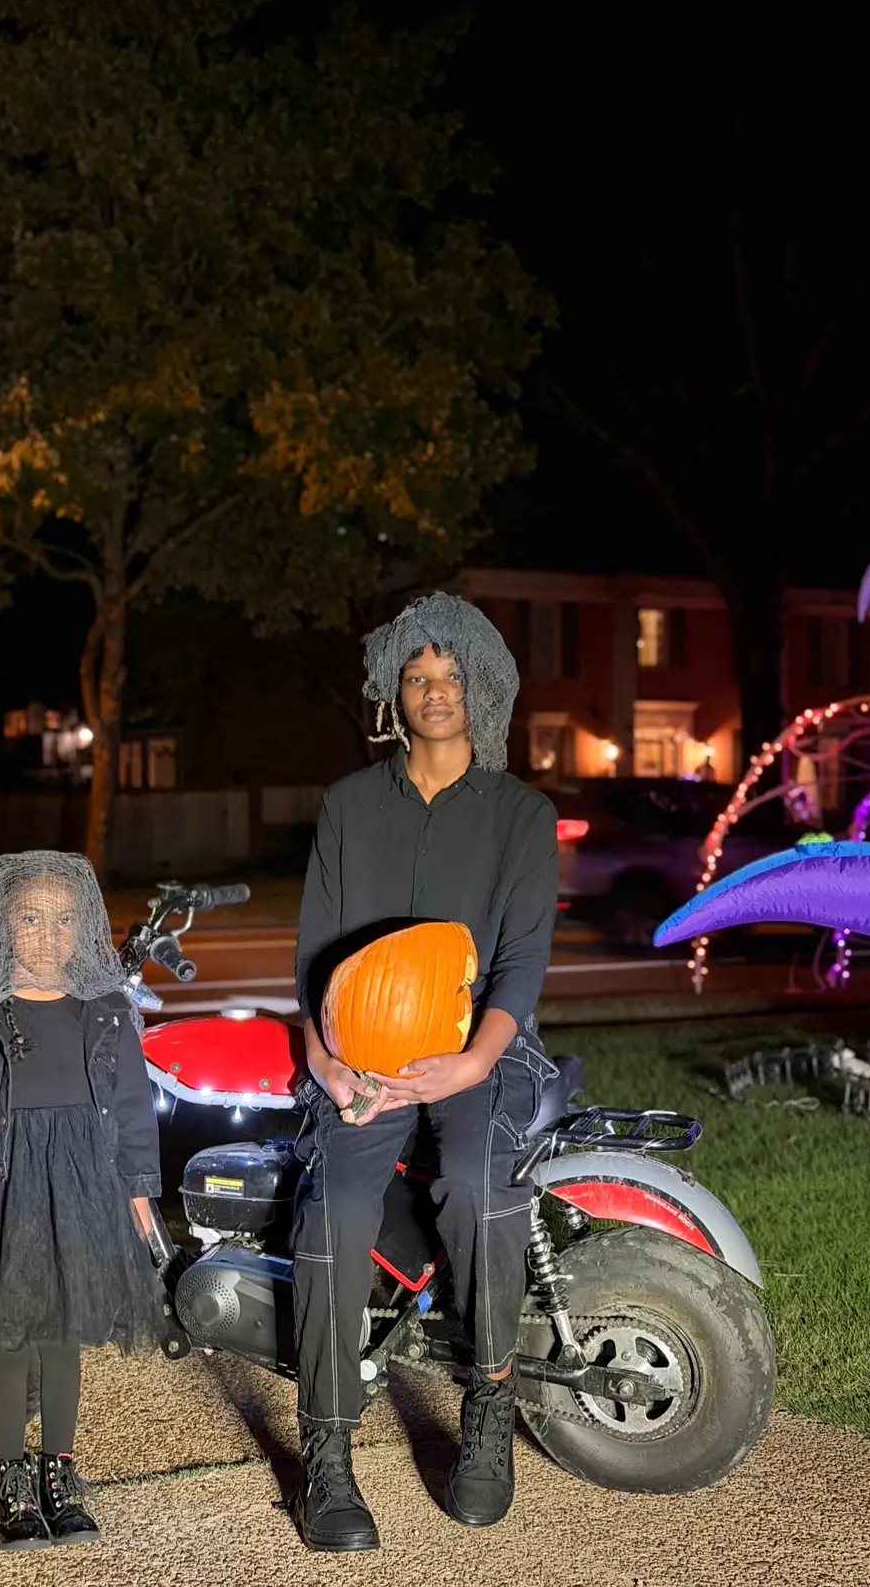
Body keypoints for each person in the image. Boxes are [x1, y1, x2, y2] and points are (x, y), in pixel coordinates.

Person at [291, 593, 559, 1552]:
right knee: (334, 1210)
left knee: (478, 1186)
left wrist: (472, 1061)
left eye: (451, 678)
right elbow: (317, 954)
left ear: (481, 689)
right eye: (417, 678)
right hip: (357, 1055)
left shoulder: (522, 813)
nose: (434, 693)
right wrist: (326, 1066)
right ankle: (326, 1450)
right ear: (391, 693)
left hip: (476, 1047)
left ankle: (488, 1408)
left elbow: (522, 958)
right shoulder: (350, 806)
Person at [0, 851, 164, 1552]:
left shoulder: (106, 1010)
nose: (49, 936)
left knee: (62, 1333)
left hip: (86, 1185)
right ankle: (12, 1478)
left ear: (83, 927)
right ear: (1, 926)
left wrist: (139, 1191)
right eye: (30, 919)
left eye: (63, 920)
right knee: (12, 1334)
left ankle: (60, 1470)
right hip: (6, 1182)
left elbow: (134, 1106)